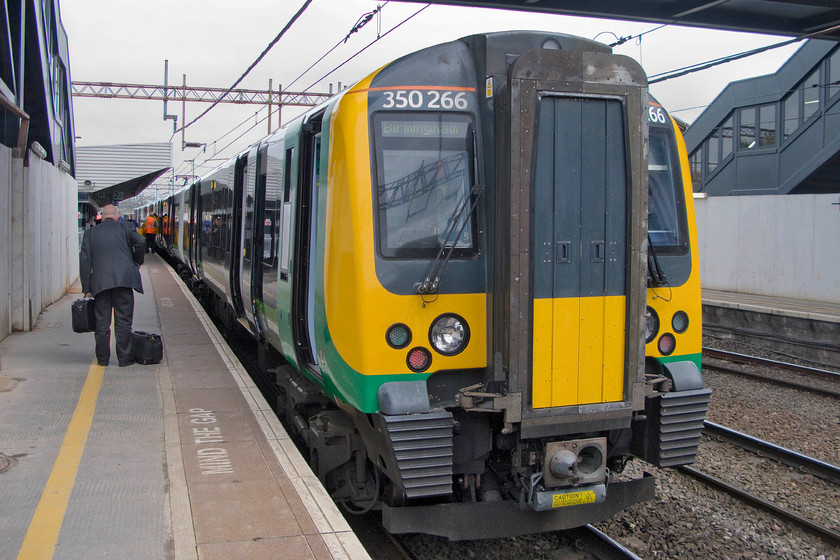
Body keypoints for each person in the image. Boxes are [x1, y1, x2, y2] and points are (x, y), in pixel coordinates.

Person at [79, 204, 146, 367]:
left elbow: (85, 261)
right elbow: (141, 241)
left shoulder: (90, 233)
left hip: (101, 283)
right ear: (116, 217)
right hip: (124, 281)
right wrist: (137, 261)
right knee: (123, 321)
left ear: (101, 217)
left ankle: (102, 359)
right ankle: (124, 359)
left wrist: (87, 287)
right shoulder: (126, 227)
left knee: (102, 322)